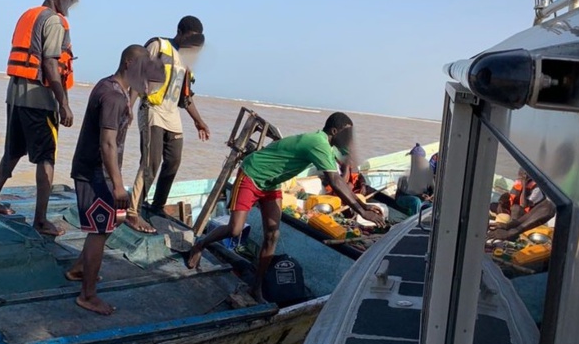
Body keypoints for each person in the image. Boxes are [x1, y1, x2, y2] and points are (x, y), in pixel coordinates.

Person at [186, 112, 386, 302]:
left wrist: (363, 203)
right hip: (252, 175)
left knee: (273, 235)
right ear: (334, 132)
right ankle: (200, 244)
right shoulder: (318, 142)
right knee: (234, 229)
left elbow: (343, 174)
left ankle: (256, 287)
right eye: (347, 133)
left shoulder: (329, 146)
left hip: (271, 184)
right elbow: (335, 181)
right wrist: (362, 212)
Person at [64, 45, 165, 315]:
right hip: (96, 173)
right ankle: (87, 295)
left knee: (111, 223)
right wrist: (119, 185)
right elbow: (107, 144)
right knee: (99, 232)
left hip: (101, 171)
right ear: (130, 64)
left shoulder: (111, 87)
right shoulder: (112, 97)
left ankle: (78, 269)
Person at [0, 0, 79, 236]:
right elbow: (50, 64)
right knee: (46, 157)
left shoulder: (29, 15)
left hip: (15, 95)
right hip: (38, 99)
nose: (74, 2)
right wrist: (64, 104)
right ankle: (40, 220)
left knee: (13, 150)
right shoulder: (53, 21)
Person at [125, 16, 212, 234]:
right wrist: (129, 105)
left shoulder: (186, 60)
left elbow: (185, 96)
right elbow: (138, 75)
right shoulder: (159, 46)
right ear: (180, 32)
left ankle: (157, 206)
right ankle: (132, 212)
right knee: (150, 162)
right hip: (152, 109)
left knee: (173, 160)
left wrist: (198, 121)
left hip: (172, 114)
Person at [395, 143, 434, 215]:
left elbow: (433, 189)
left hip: (421, 200)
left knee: (432, 205)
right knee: (416, 201)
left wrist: (431, 197)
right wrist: (419, 195)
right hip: (403, 198)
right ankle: (414, 222)